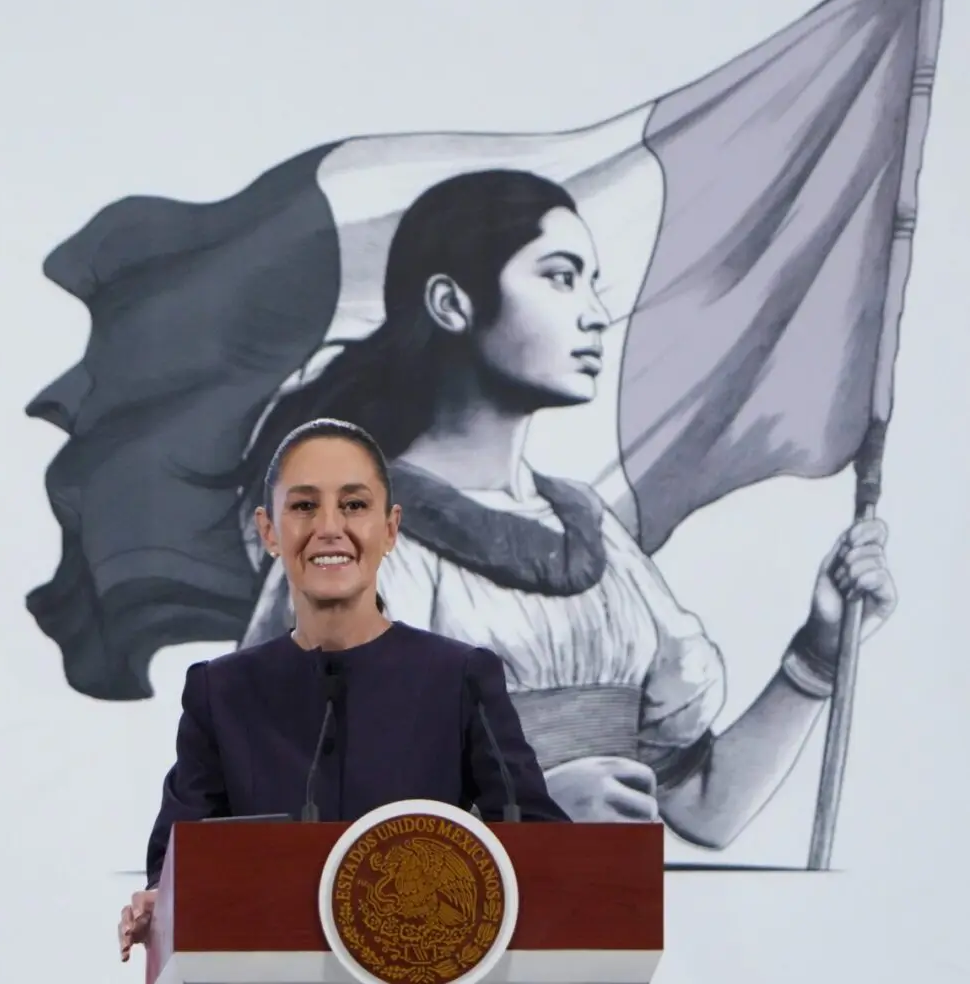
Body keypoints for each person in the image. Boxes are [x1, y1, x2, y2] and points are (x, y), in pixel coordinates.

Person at [232, 170, 897, 839]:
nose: (595, 313)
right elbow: (294, 818)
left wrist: (819, 651)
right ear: (450, 303)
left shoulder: (593, 535)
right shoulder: (355, 538)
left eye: (592, 281)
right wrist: (519, 815)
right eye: (559, 276)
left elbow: (704, 805)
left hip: (599, 933)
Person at [117, 417, 568, 963]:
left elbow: (544, 851)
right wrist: (155, 904)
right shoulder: (221, 691)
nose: (329, 527)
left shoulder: (460, 678)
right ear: (268, 531)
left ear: (391, 528)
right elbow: (177, 864)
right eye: (304, 506)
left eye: (354, 505)